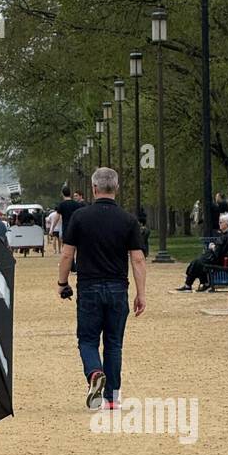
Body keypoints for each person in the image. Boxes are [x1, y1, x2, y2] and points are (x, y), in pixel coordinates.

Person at [58, 166, 146, 410]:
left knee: (87, 340)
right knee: (114, 343)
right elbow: (137, 259)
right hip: (118, 286)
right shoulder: (128, 220)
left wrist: (62, 283)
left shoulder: (80, 217)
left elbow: (67, 255)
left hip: (89, 287)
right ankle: (112, 397)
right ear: (116, 188)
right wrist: (141, 293)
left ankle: (94, 373)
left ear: (94, 188)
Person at [176, 213, 228, 292]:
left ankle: (189, 284)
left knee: (198, 263)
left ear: (227, 224)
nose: (219, 224)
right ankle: (202, 283)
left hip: (220, 259)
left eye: (221, 222)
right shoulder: (227, 234)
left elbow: (220, 251)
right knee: (197, 262)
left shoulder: (227, 235)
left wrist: (213, 247)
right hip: (218, 257)